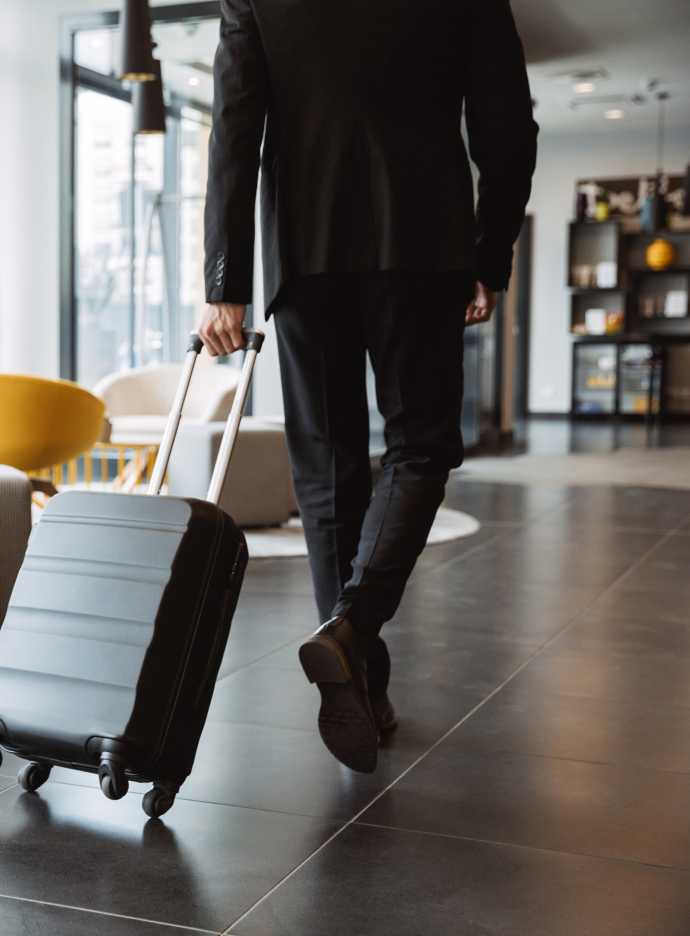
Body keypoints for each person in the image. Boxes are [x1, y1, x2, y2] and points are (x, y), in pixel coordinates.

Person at [200, 0, 537, 772]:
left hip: (303, 251)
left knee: (327, 470)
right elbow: (509, 131)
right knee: (421, 446)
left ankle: (364, 684)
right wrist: (490, 256)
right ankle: (351, 630)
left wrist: (226, 280)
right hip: (424, 243)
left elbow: (234, 132)